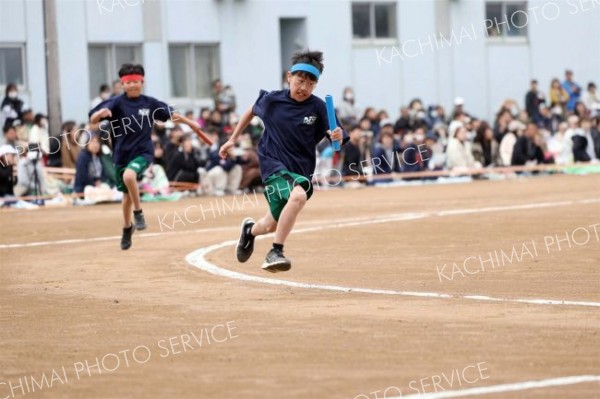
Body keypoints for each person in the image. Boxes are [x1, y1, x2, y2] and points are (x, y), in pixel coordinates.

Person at [218, 49, 347, 272]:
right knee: (298, 196)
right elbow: (251, 110)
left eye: (310, 83)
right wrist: (232, 139)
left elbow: (337, 133)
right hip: (273, 166)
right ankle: (275, 251)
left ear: (315, 85)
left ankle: (249, 231)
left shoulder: (318, 107)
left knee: (270, 224)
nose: (304, 87)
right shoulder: (272, 100)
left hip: (300, 170)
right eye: (300, 80)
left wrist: (338, 135)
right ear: (289, 77)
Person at [89, 63, 208, 250]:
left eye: (136, 81)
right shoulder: (116, 103)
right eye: (129, 82)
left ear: (142, 82)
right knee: (126, 195)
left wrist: (191, 123)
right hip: (121, 154)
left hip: (143, 152)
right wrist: (100, 115)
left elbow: (171, 114)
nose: (133, 85)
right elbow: (93, 119)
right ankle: (127, 227)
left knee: (129, 176)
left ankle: (139, 213)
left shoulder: (149, 103)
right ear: (122, 84)